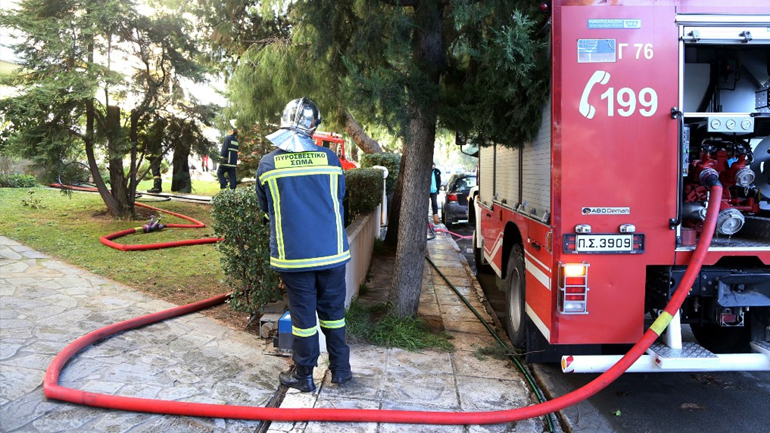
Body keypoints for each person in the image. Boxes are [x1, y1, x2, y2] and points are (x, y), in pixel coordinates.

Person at [256, 97, 352, 392]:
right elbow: (339, 198)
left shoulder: (268, 163)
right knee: (334, 315)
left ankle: (304, 376)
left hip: (294, 256)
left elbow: (267, 209)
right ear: (313, 128)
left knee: (304, 319)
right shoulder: (331, 160)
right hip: (332, 252)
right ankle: (341, 370)